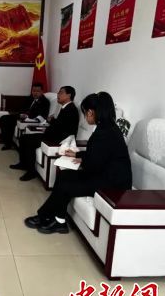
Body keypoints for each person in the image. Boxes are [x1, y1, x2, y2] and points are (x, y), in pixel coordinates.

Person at [25, 92, 132, 234]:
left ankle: (53, 219)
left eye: (85, 113)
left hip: (113, 183)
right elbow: (98, 155)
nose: (85, 117)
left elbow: (94, 164)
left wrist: (80, 163)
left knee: (67, 183)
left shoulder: (105, 132)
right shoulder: (106, 127)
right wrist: (77, 155)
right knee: (64, 176)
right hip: (106, 174)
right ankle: (53, 217)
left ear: (91, 112)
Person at [10, 86, 79, 181]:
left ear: (69, 95)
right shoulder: (65, 107)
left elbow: (63, 130)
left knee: (29, 141)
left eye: (61, 92)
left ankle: (31, 172)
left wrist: (51, 123)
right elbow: (60, 125)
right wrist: (51, 123)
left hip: (58, 139)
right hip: (53, 135)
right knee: (24, 138)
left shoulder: (71, 110)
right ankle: (23, 164)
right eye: (58, 92)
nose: (58, 94)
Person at [0, 82, 50, 150]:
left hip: (30, 120)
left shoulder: (45, 102)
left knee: (9, 121)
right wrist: (21, 114)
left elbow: (42, 115)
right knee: (3, 118)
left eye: (37, 91)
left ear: (42, 92)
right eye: (33, 91)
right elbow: (23, 108)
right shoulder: (30, 98)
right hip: (22, 116)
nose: (35, 93)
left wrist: (27, 116)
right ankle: (4, 139)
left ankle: (8, 144)